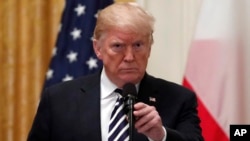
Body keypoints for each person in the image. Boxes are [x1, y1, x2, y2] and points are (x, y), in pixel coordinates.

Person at [28, 2, 203, 141]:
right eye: (118, 46)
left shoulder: (179, 99)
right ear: (98, 48)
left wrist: (161, 136)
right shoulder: (59, 100)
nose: (129, 56)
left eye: (138, 45)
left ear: (149, 47)